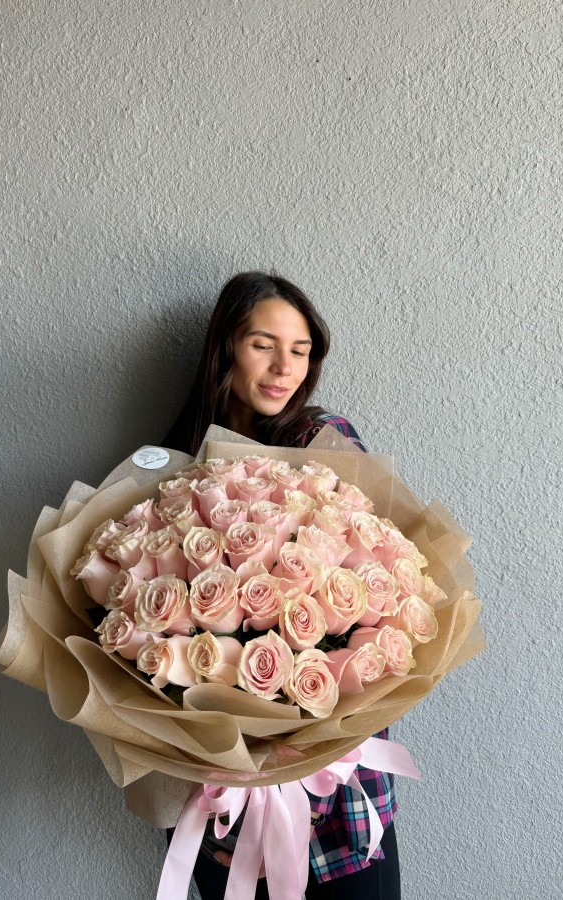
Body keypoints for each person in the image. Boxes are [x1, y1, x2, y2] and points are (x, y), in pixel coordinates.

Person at [163, 271, 401, 899]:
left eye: (300, 351)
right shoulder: (175, 462)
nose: (283, 367)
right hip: (223, 792)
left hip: (332, 789)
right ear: (225, 349)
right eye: (262, 344)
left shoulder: (324, 445)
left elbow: (376, 606)